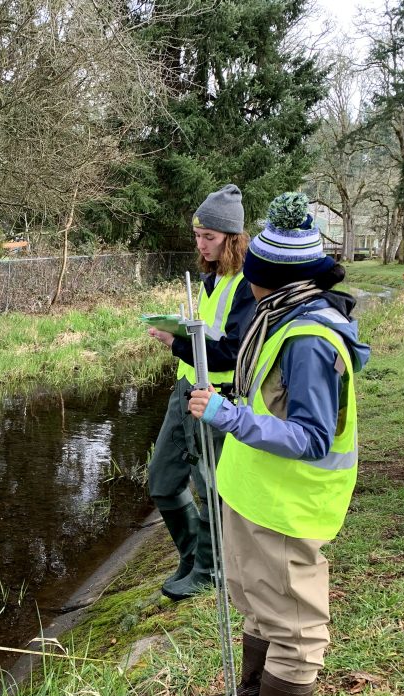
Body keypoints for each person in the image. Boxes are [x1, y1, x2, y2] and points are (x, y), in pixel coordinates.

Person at [188, 192, 370, 696]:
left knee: (293, 618)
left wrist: (227, 415)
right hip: (253, 492)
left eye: (257, 274)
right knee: (256, 599)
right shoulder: (278, 316)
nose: (251, 283)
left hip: (288, 504)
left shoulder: (310, 339)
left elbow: (313, 437)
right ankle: (253, 693)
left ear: (275, 278)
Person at [147, 184, 256, 600]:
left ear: (232, 237)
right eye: (197, 236)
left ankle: (210, 570)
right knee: (162, 480)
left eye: (209, 236)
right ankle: (192, 554)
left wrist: (175, 341)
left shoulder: (246, 283)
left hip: (218, 395)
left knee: (211, 487)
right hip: (185, 388)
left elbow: (231, 349)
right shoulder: (211, 278)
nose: (201, 244)